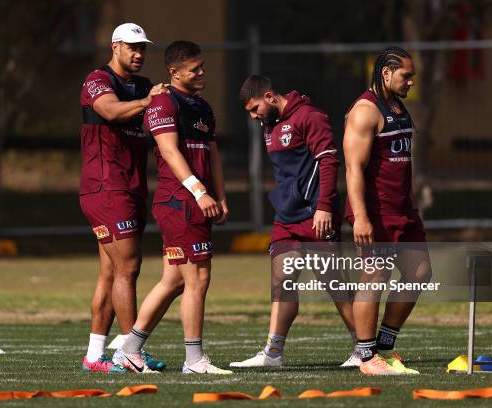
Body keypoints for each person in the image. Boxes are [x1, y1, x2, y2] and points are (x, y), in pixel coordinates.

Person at [114, 41, 231, 374]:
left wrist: (220, 196)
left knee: (174, 281)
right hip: (179, 201)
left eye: (202, 66)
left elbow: (212, 154)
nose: (201, 72)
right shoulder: (164, 103)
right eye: (194, 68)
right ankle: (194, 361)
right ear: (173, 71)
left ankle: (130, 349)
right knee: (199, 278)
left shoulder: (203, 106)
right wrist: (198, 191)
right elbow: (169, 151)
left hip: (197, 202)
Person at [231, 75, 359, 369]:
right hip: (286, 219)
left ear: (271, 97)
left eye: (254, 109)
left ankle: (363, 348)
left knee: (335, 285)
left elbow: (329, 161)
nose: (253, 116)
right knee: (282, 282)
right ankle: (273, 353)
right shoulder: (268, 125)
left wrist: (324, 207)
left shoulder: (310, 117)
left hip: (316, 217)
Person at [78, 23, 167, 373]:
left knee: (111, 272)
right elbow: (112, 111)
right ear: (115, 46)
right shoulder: (97, 80)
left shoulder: (144, 85)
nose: (138, 54)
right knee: (129, 267)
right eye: (132, 47)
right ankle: (132, 350)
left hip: (131, 187)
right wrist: (148, 101)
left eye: (142, 47)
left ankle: (93, 356)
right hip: (105, 186)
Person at [343, 47, 432, 375]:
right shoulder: (365, 111)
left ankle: (384, 347)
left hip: (403, 210)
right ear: (385, 74)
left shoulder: (399, 107)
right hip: (375, 212)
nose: (411, 81)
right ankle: (366, 357)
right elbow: (353, 168)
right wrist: (361, 217)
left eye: (413, 76)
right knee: (375, 276)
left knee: (420, 273)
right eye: (406, 76)